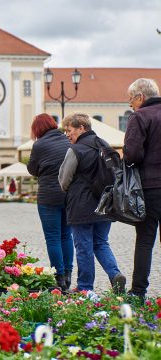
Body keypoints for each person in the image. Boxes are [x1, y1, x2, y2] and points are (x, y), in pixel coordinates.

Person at [58, 113, 126, 293]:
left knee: (84, 247)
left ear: (81, 128)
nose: (67, 134)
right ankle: (115, 274)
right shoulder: (104, 144)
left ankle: (85, 287)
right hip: (105, 204)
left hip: (81, 206)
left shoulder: (76, 150)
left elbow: (64, 179)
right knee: (101, 243)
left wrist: (70, 191)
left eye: (69, 130)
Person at [123, 78, 161, 299]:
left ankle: (138, 292)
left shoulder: (140, 117)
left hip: (150, 186)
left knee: (145, 240)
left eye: (131, 101)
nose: (132, 106)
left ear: (140, 97)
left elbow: (133, 154)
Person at [27, 113, 73, 290]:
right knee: (66, 235)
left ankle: (59, 277)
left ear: (37, 129)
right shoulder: (67, 140)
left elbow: (32, 168)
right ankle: (68, 275)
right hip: (68, 195)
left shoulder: (39, 144)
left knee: (52, 238)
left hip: (48, 197)